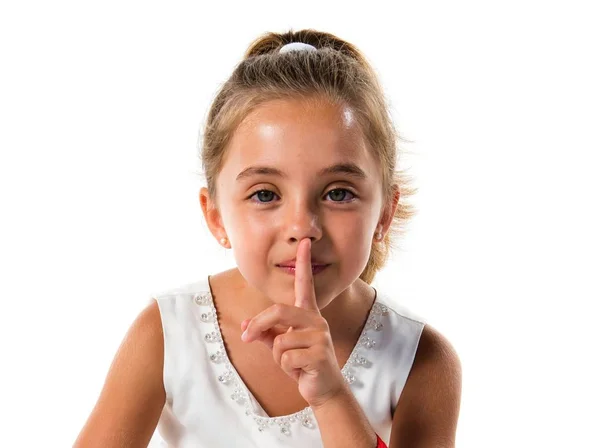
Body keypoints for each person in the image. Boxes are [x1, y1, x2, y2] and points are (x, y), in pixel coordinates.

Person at [74, 29, 462, 447]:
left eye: (338, 193)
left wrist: (331, 396)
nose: (302, 226)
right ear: (216, 216)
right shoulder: (167, 333)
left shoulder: (421, 358)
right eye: (265, 194)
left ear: (384, 212)